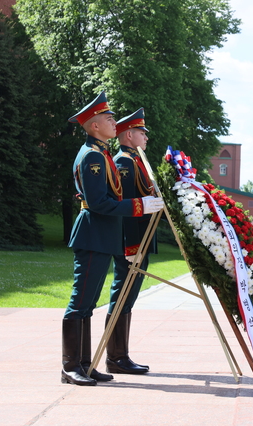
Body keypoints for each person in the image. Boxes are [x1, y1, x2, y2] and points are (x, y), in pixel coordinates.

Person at [62, 92, 164, 386]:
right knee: (80, 301)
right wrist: (139, 206)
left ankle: (85, 364)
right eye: (108, 119)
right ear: (94, 126)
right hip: (93, 232)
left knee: (88, 303)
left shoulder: (101, 153)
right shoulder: (92, 156)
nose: (113, 123)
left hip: (102, 235)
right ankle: (71, 366)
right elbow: (98, 203)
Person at [105, 108, 156, 375]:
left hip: (140, 241)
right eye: (141, 132)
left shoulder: (136, 160)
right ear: (128, 134)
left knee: (128, 298)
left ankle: (120, 355)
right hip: (131, 243)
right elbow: (126, 210)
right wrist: (131, 247)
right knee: (122, 297)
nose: (146, 136)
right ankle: (115, 357)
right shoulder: (124, 163)